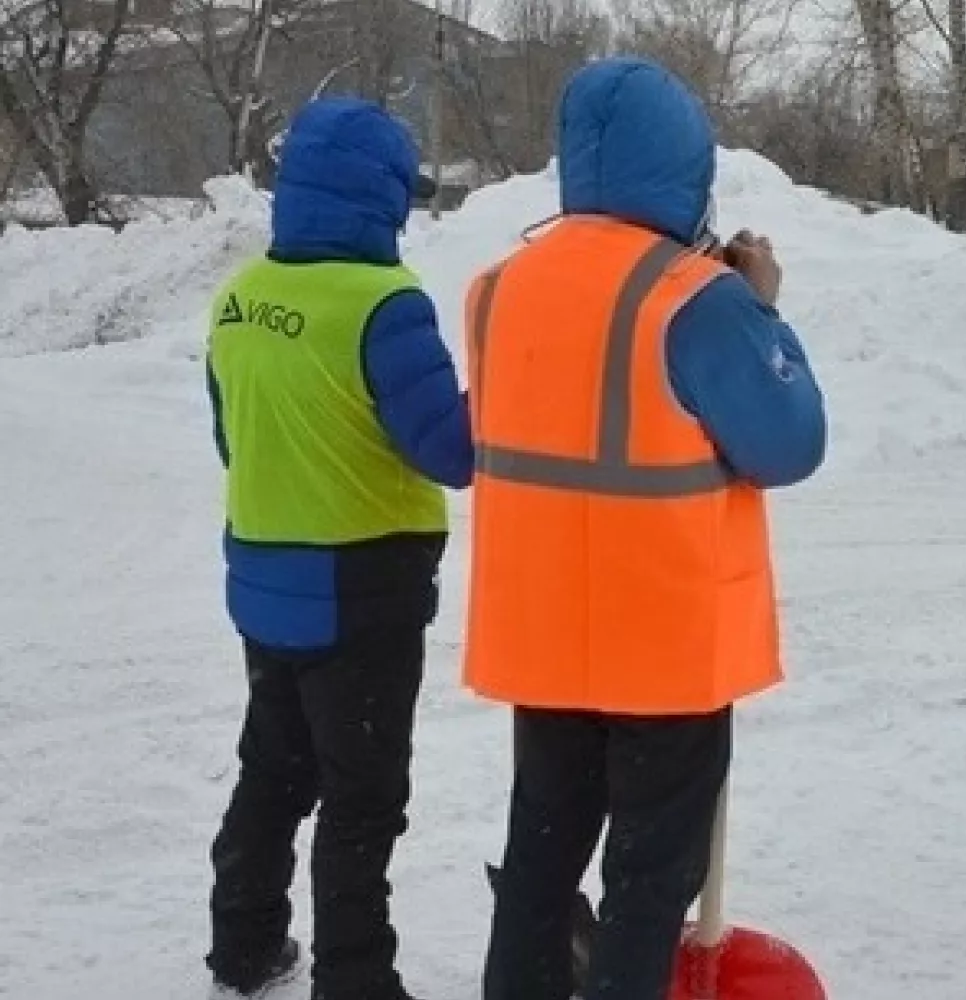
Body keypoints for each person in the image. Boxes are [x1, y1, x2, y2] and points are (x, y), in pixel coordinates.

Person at [462, 55, 828, 1000]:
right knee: (649, 881)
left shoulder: (497, 289)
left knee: (540, 859)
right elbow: (787, 444)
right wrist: (761, 312)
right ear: (687, 166)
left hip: (542, 636)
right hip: (663, 646)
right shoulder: (697, 300)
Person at [202, 96, 473, 1000]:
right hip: (363, 591)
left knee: (273, 773)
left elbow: (230, 438)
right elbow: (450, 452)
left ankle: (244, 945)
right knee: (362, 801)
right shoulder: (384, 304)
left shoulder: (239, 298)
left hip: (262, 582)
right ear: (386, 196)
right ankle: (357, 980)